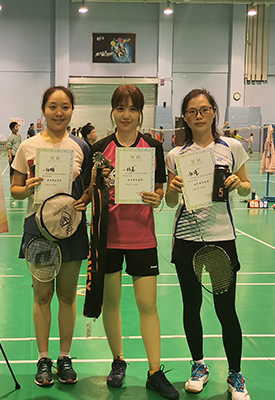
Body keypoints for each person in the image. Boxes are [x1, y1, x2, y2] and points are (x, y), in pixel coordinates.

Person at [81, 85, 179, 399]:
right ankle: (118, 360)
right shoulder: (99, 148)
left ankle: (154, 371)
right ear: (112, 111)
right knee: (111, 303)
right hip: (108, 238)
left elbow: (160, 189)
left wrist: (157, 197)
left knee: (147, 305)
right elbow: (90, 188)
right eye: (120, 108)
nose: (126, 115)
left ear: (140, 113)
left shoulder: (153, 146)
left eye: (132, 109)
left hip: (142, 237)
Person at [165, 88, 251, 400]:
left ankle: (235, 374)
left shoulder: (232, 147)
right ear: (185, 118)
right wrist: (172, 188)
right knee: (191, 305)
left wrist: (239, 184)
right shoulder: (176, 155)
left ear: (214, 112)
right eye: (192, 111)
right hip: (186, 239)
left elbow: (246, 188)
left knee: (226, 309)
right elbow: (170, 201)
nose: (198, 116)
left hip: (221, 239)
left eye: (204, 109)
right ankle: (198, 365)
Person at [10, 86, 89, 386]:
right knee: (42, 296)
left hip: (71, 227)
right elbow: (15, 191)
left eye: (65, 107)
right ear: (43, 110)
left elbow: (88, 189)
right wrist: (27, 188)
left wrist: (86, 200)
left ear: (72, 110)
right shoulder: (27, 147)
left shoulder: (81, 147)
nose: (59, 112)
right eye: (53, 106)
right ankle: (43, 358)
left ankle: (64, 357)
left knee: (67, 296)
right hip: (38, 229)